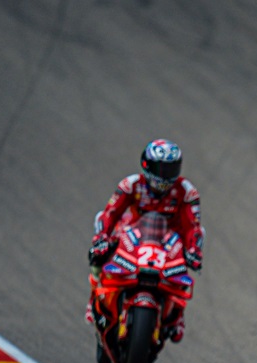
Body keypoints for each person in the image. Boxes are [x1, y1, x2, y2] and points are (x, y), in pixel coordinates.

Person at [87, 139, 204, 341]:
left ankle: (177, 314)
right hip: (133, 234)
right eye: (160, 169)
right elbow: (110, 214)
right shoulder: (130, 185)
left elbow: (192, 226)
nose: (164, 175)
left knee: (191, 250)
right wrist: (102, 238)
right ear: (146, 165)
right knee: (99, 249)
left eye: (170, 169)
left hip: (168, 240)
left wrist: (194, 250)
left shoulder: (186, 191)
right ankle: (94, 295)